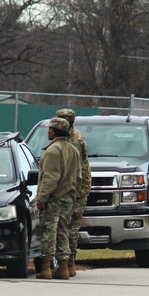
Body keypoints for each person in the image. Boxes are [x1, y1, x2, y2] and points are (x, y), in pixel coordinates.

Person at [35, 117, 80, 280]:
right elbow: (79, 177)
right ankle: (63, 268)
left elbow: (51, 178)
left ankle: (46, 267)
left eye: (50, 129)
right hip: (68, 198)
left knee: (49, 231)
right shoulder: (73, 150)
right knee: (63, 231)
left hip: (54, 199)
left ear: (54, 131)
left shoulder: (53, 150)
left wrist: (42, 198)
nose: (48, 131)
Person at [57, 108, 90, 278]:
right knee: (66, 225)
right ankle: (66, 262)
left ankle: (69, 262)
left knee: (71, 226)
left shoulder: (74, 140)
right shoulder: (63, 138)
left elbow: (75, 169)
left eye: (62, 119)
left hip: (76, 188)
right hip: (69, 186)